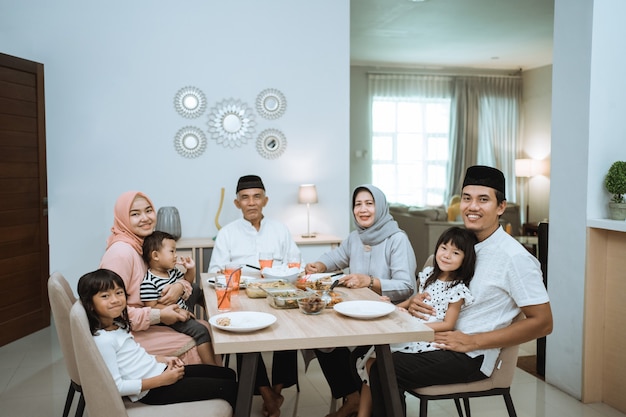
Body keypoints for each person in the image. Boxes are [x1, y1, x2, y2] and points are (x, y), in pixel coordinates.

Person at [368, 165, 553, 417]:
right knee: (365, 351)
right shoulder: (462, 246)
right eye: (467, 198)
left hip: (471, 355)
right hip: (439, 341)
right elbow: (439, 292)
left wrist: (473, 340)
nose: (472, 206)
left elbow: (543, 323)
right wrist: (413, 303)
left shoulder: (514, 258)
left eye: (483, 199)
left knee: (384, 368)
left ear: (501, 207)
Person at [304, 184, 417, 417]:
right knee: (322, 339)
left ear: (381, 206)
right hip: (357, 313)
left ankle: (365, 403)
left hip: (390, 314)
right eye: (358, 204)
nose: (363, 209)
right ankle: (353, 397)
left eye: (369, 203)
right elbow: (336, 257)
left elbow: (407, 286)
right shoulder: (356, 237)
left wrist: (370, 281)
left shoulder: (397, 239)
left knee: (347, 347)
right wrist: (320, 265)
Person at [355, 226, 476, 417]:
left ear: (465, 259)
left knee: (378, 363)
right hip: (412, 328)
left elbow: (448, 324)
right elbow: (414, 301)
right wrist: (396, 307)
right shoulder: (428, 274)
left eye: (455, 252)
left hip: (427, 337)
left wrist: (416, 327)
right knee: (370, 360)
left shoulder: (457, 289)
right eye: (444, 248)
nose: (446, 255)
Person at [77, 268, 237, 407]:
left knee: (228, 374)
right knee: (232, 389)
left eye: (119, 293)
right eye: (105, 296)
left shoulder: (118, 325)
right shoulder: (103, 340)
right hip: (153, 390)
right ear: (90, 304)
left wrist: (163, 359)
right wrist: (163, 380)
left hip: (161, 371)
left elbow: (135, 358)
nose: (115, 300)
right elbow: (116, 387)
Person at [208, 175, 300, 417]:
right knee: (245, 338)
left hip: (276, 295)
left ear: (265, 200)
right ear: (237, 203)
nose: (251, 203)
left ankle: (276, 390)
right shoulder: (227, 234)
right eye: (245, 198)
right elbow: (216, 271)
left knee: (289, 331)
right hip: (241, 298)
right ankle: (268, 395)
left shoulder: (280, 230)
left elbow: (295, 263)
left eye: (256, 197)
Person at [100, 191, 209, 364]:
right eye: (135, 214)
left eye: (148, 210)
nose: (145, 218)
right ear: (123, 218)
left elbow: (170, 276)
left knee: (195, 293)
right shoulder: (121, 253)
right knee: (203, 331)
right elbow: (109, 312)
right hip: (127, 332)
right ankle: (214, 379)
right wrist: (159, 315)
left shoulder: (141, 244)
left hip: (147, 318)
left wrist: (179, 286)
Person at [140, 231, 216, 365]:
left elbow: (187, 283)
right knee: (201, 331)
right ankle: (213, 367)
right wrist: (177, 311)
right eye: (172, 252)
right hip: (173, 318)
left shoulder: (171, 272)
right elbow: (151, 307)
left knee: (197, 289)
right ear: (155, 255)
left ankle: (214, 315)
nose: (176, 256)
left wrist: (190, 269)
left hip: (183, 306)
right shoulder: (148, 282)